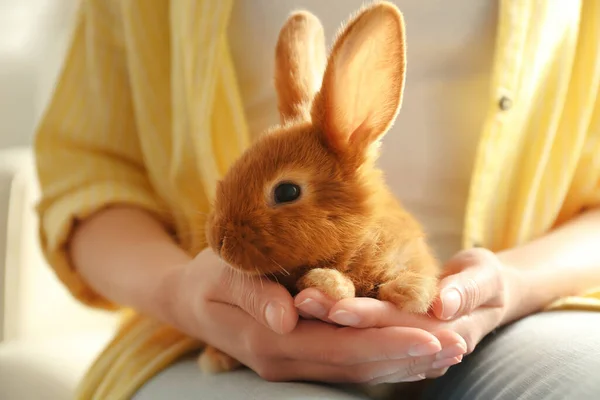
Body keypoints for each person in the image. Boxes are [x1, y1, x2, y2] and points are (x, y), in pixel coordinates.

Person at [33, 0, 600, 399]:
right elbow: (89, 172)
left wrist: (513, 285)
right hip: (214, 335)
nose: (221, 230)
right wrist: (183, 297)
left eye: (283, 193)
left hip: (522, 318)